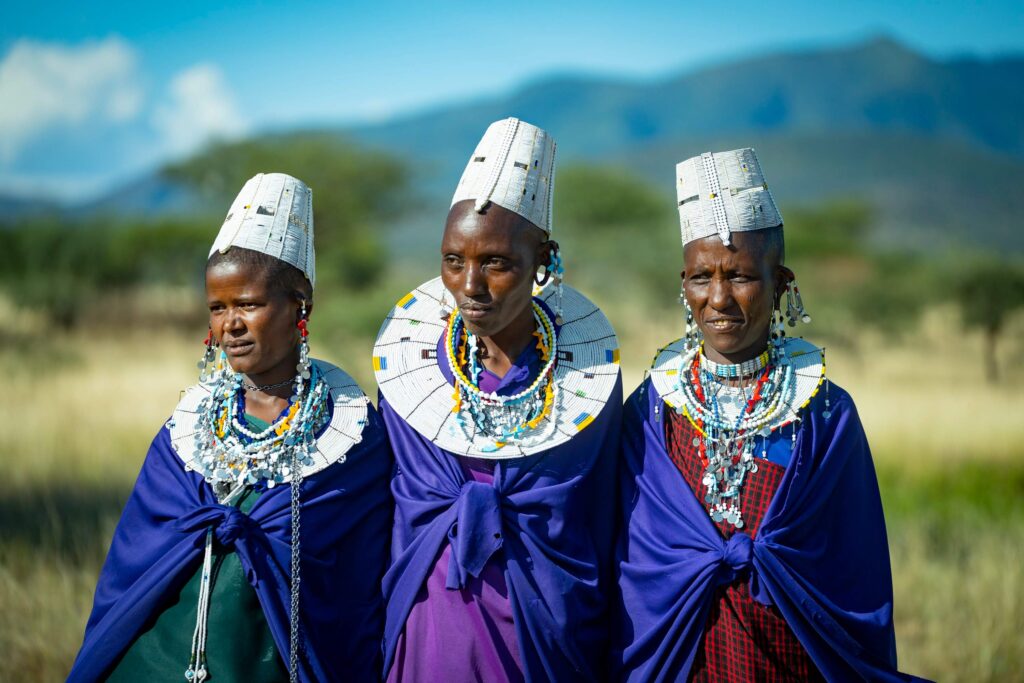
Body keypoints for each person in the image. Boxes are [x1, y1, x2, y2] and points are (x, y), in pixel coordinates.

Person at [612, 149, 927, 682]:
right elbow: (629, 562)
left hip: (793, 660)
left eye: (739, 276)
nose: (718, 299)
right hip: (678, 662)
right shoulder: (651, 410)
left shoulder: (825, 413)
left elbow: (857, 572)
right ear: (682, 284)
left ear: (781, 283)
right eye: (700, 277)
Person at [68, 173, 393, 682]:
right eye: (217, 308)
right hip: (161, 656)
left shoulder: (351, 435)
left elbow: (356, 582)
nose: (229, 325)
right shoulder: (187, 431)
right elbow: (135, 565)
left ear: (300, 304)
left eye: (248, 304)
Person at [373, 117, 623, 682]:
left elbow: (600, 524)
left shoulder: (588, 386)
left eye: (497, 263)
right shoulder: (410, 382)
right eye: (454, 260)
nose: (470, 285)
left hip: (546, 632)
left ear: (544, 261)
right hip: (430, 621)